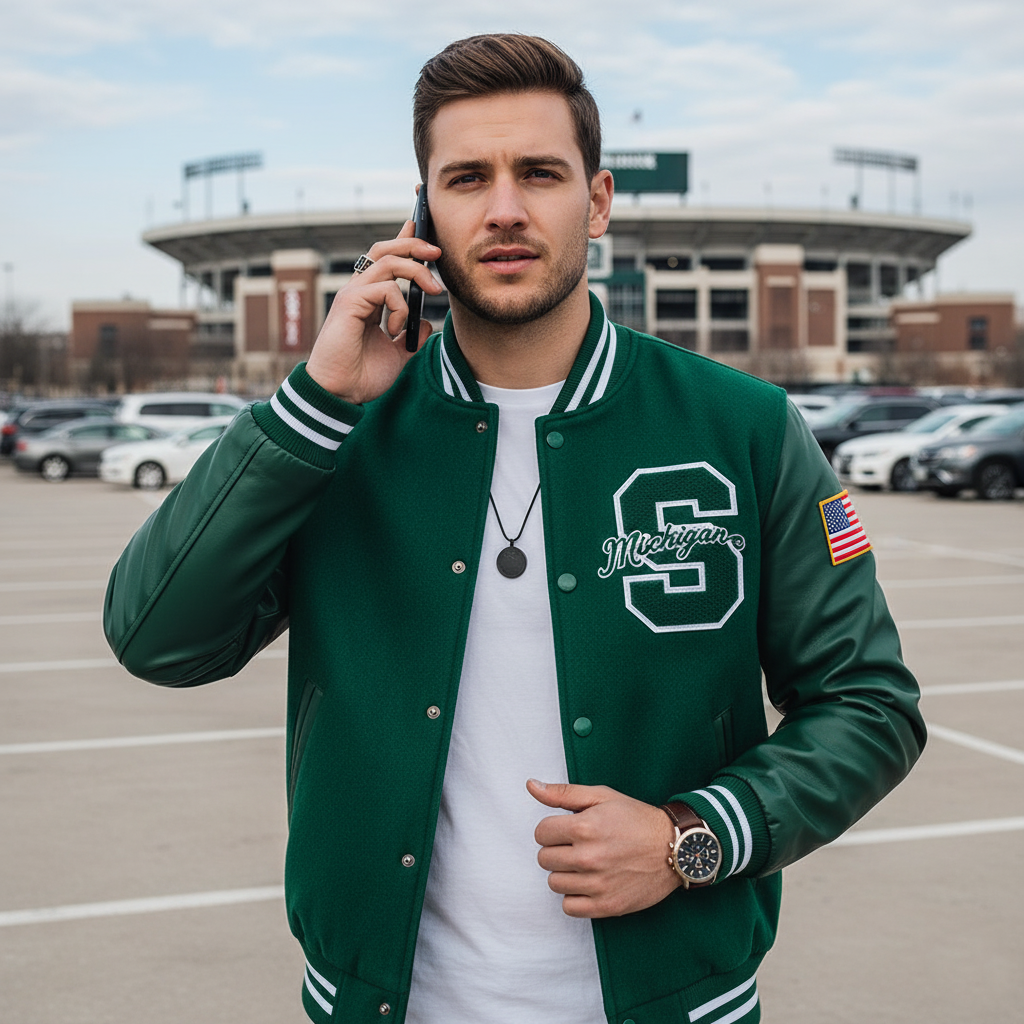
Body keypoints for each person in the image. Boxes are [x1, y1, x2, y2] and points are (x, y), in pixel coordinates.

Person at [104, 34, 925, 1024]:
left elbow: (869, 702)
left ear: (599, 199)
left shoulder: (740, 427)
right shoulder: (341, 434)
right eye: (464, 178)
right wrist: (314, 402)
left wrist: (690, 835)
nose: (502, 207)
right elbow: (156, 636)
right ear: (421, 214)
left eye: (539, 172)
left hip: (676, 1003)